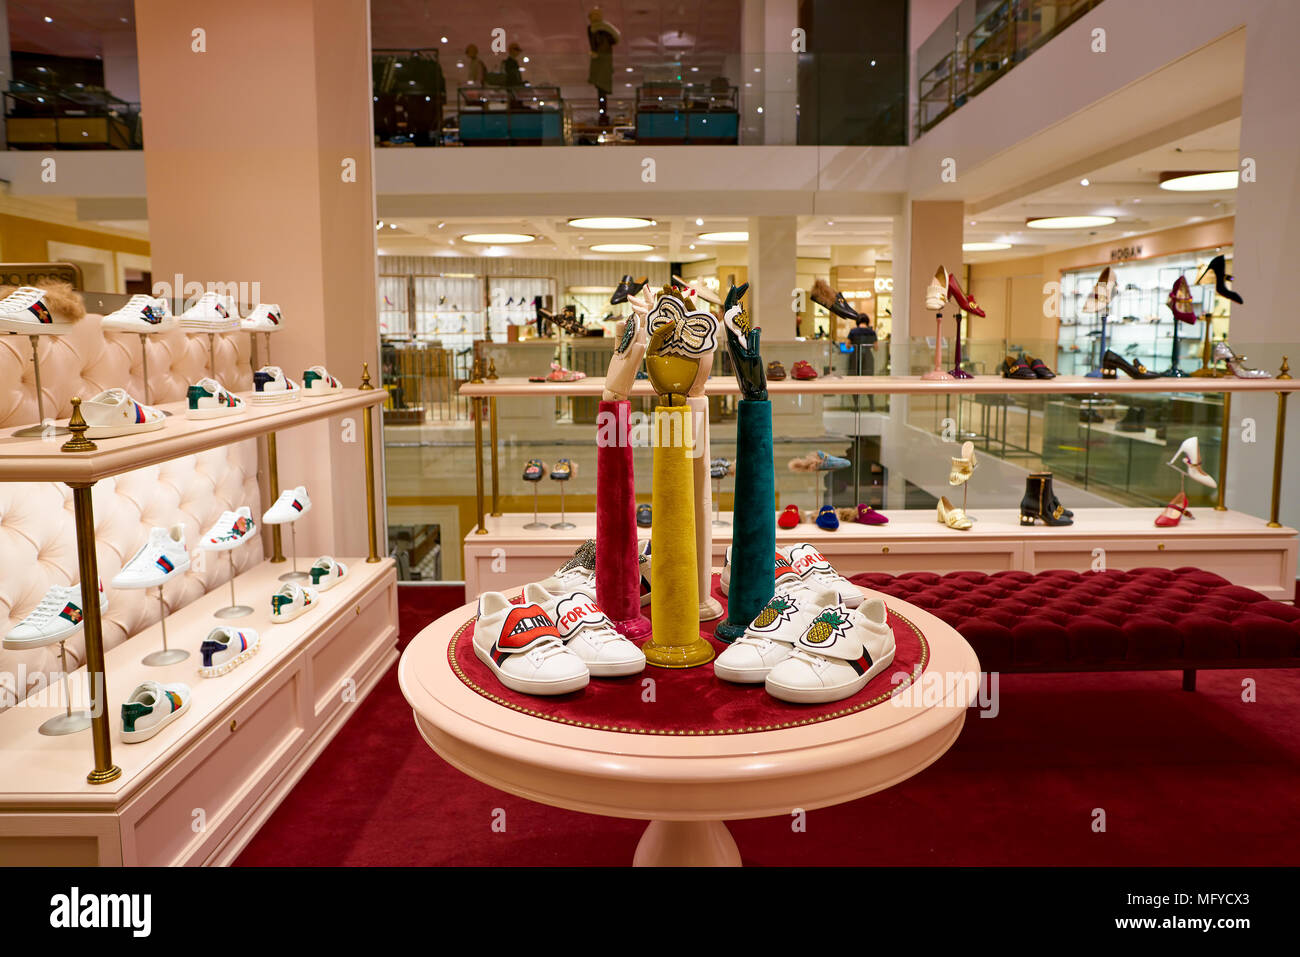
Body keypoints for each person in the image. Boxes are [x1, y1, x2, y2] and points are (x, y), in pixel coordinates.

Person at [587, 8, 620, 126]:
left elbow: (614, 39)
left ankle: (603, 114)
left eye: (596, 15)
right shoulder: (591, 29)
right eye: (592, 15)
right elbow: (593, 44)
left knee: (602, 88)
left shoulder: (605, 30)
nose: (594, 17)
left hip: (604, 60)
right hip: (598, 60)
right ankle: (602, 114)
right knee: (600, 88)